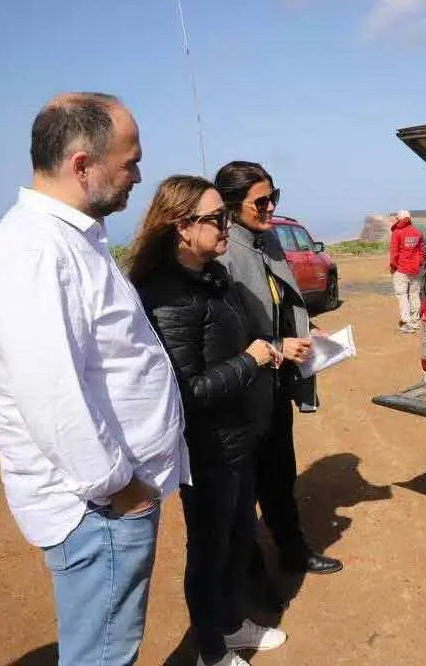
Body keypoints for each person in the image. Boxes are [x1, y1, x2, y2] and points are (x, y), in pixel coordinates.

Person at [0, 93, 186, 666]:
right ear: (83, 164)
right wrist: (119, 488)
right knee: (104, 655)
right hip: (98, 507)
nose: (139, 176)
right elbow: (52, 396)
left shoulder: (70, 238)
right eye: (130, 161)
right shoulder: (35, 251)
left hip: (108, 501)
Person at [128, 176, 287, 666]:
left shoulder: (213, 277)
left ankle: (231, 624)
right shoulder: (166, 296)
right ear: (181, 227)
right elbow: (187, 390)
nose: (226, 226)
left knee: (239, 539)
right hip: (207, 449)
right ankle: (211, 652)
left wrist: (265, 352)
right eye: (217, 218)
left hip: (237, 438)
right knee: (210, 551)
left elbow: (227, 349)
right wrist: (252, 361)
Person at [213, 161, 344, 585]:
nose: (271, 208)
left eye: (274, 197)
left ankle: (292, 551)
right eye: (261, 201)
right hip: (242, 392)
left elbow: (282, 304)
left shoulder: (266, 243)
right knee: (244, 490)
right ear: (232, 206)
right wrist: (275, 347)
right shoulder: (223, 251)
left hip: (275, 385)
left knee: (280, 475)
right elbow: (221, 337)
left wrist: (305, 331)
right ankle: (251, 574)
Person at [389, 209, 426, 333]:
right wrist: (419, 263)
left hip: (401, 269)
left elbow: (394, 252)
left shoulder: (397, 232)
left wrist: (394, 267)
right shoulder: (417, 232)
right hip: (415, 269)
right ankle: (416, 320)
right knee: (414, 294)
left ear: (400, 219)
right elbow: (422, 251)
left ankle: (406, 321)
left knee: (402, 295)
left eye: (397, 218)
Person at [414, 217, 426, 305]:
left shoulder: (419, 227)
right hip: (410, 263)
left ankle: (423, 307)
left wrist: (420, 254)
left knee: (420, 286)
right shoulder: (402, 230)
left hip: (422, 262)